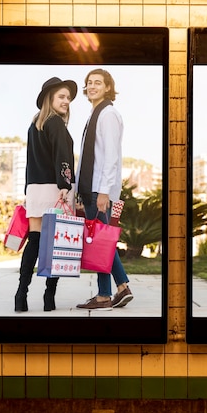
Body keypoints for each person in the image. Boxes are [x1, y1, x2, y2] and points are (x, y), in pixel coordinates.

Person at [14, 76, 77, 313]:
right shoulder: (56, 123)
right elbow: (62, 155)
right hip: (55, 188)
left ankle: (21, 294)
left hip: (35, 190)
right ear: (50, 98)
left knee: (35, 241)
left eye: (68, 98)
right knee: (57, 245)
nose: (66, 101)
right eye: (61, 96)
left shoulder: (35, 124)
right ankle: (49, 297)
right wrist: (65, 184)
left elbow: (31, 162)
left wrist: (27, 191)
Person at [76, 68, 133, 311]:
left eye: (98, 82)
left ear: (108, 87)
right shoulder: (95, 114)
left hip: (100, 190)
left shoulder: (108, 115)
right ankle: (118, 288)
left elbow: (110, 157)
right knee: (100, 239)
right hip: (92, 189)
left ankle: (107, 294)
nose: (92, 86)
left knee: (100, 241)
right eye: (89, 83)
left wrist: (103, 193)